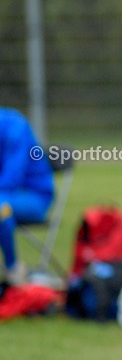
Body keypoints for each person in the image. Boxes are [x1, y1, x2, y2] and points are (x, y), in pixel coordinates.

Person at [0, 108, 54, 284]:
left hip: (34, 198)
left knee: (1, 208)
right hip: (5, 195)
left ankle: (13, 268)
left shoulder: (15, 127)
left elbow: (11, 179)